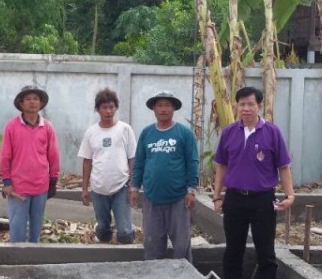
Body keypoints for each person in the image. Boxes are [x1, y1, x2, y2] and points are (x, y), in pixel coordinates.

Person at [212, 87, 295, 279]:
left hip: (263, 201)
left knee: (266, 252)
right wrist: (217, 197)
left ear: (259, 106)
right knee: (233, 251)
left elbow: (284, 166)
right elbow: (222, 166)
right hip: (234, 200)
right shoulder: (229, 132)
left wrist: (290, 195)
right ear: (236, 106)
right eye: (242, 104)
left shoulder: (272, 132)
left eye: (250, 104)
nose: (246, 108)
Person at [131, 90, 199, 261]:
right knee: (153, 245)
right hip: (152, 198)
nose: (163, 109)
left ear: (173, 108)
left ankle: (184, 274)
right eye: (159, 105)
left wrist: (191, 190)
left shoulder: (184, 133)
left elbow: (192, 162)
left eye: (167, 105)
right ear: (153, 109)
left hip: (178, 199)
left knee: (181, 246)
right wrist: (134, 187)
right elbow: (139, 162)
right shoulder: (146, 133)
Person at [0, 85, 60, 243]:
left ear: (40, 103)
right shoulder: (12, 127)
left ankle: (32, 264)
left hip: (40, 187)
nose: (32, 102)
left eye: (36, 99)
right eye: (28, 99)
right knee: (17, 233)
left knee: (35, 234)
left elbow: (53, 155)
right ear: (21, 103)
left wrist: (53, 181)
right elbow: (5, 156)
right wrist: (7, 181)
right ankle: (16, 265)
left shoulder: (47, 127)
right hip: (19, 187)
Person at [78, 88, 136, 244]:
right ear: (97, 109)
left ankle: (127, 261)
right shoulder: (91, 132)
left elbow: (132, 158)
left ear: (116, 108)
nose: (108, 111)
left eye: (111, 107)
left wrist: (133, 184)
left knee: (124, 232)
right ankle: (104, 253)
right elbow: (87, 161)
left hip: (121, 187)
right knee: (103, 229)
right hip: (98, 188)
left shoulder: (125, 129)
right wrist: (84, 188)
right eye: (104, 107)